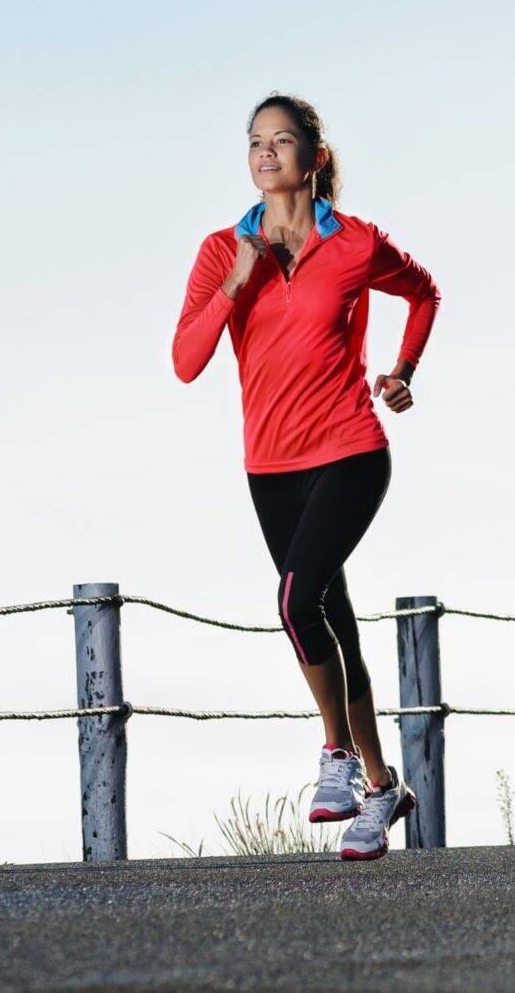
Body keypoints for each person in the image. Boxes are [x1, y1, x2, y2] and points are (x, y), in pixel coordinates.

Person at [172, 92, 442, 861]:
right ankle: (385, 787)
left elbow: (424, 292)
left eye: (281, 141)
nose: (264, 154)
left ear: (313, 158)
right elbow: (185, 363)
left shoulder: (354, 244)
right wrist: (236, 284)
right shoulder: (223, 252)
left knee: (295, 600)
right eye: (254, 142)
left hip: (352, 448)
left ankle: (336, 756)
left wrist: (404, 369)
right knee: (334, 624)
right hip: (270, 466)